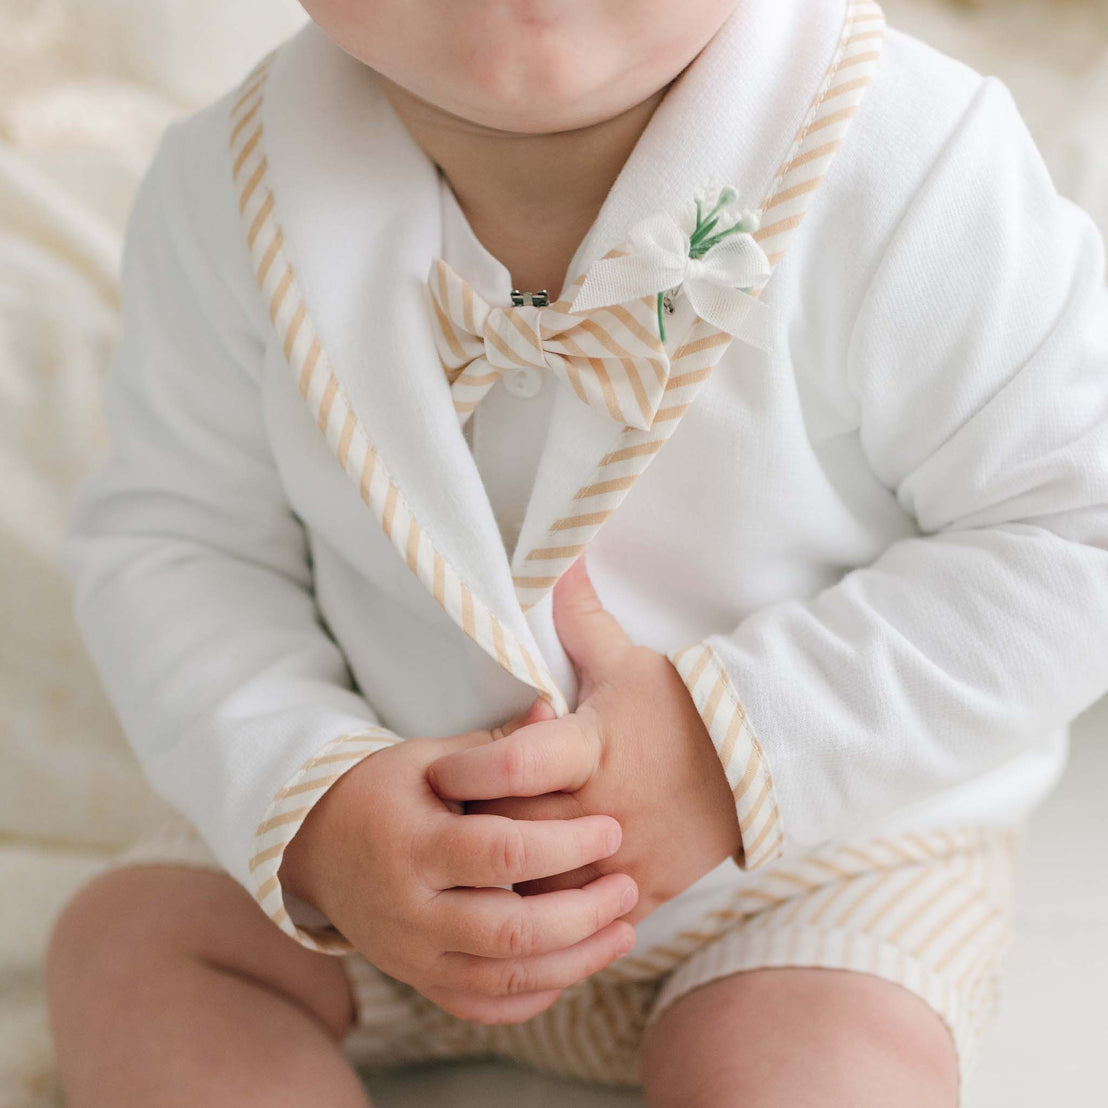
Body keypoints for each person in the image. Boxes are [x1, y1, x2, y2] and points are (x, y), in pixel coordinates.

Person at [46, 0, 1108, 1105]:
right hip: (385, 855)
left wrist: (729, 744)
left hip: (802, 865)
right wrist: (314, 803)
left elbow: (1074, 526)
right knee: (132, 950)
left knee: (815, 1066)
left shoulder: (911, 162)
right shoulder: (227, 188)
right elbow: (180, 543)